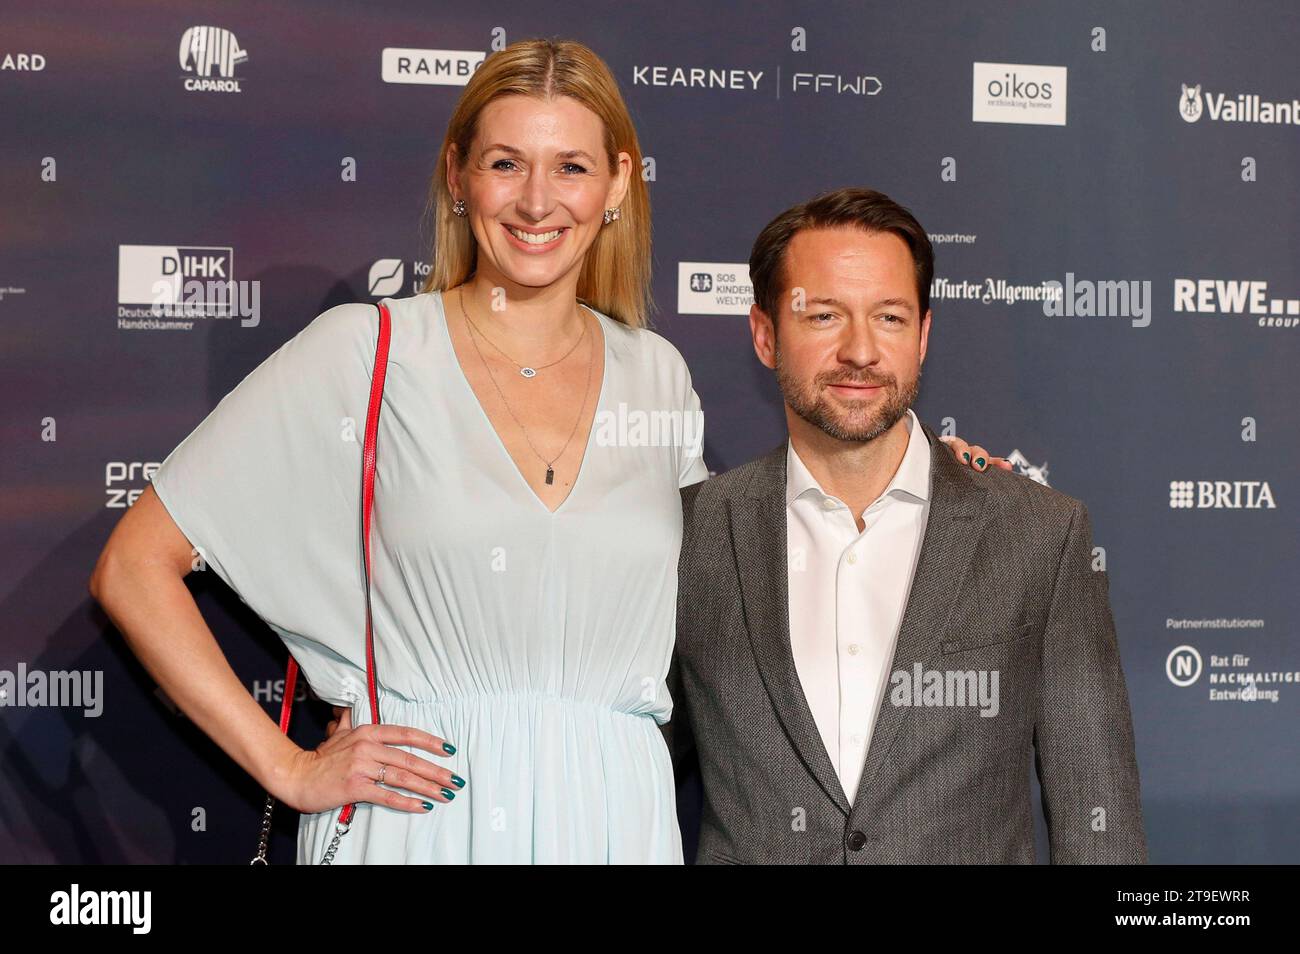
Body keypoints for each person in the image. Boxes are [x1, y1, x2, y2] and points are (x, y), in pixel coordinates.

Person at [88, 40, 999, 864]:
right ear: (458, 178)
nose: (536, 200)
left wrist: (892, 472)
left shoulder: (657, 376)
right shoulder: (369, 353)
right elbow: (136, 565)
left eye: (570, 166)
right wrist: (286, 769)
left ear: (615, 189)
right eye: (505, 163)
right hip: (420, 819)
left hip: (614, 816)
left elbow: (745, 581)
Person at [666, 187, 1148, 864]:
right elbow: (621, 751)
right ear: (765, 334)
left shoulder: (1040, 535)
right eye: (824, 315)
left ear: (922, 335)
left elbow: (1097, 817)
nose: (859, 350)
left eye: (888, 318)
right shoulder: (691, 537)